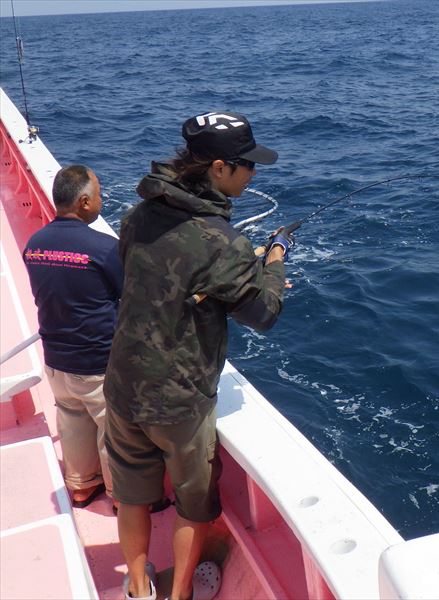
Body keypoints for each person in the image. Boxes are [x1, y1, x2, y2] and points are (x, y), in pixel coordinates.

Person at [103, 111, 291, 600]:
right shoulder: (223, 243)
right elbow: (263, 313)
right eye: (248, 165)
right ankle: (181, 593)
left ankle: (139, 587)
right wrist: (273, 261)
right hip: (178, 402)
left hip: (121, 385)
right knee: (194, 504)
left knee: (132, 496)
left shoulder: (137, 216)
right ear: (219, 168)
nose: (253, 173)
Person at [22, 164, 121, 508]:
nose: (102, 200)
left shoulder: (34, 244)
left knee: (73, 420)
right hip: (97, 363)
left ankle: (81, 486)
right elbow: (130, 295)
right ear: (84, 202)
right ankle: (121, 498)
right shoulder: (105, 248)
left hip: (56, 361)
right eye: (99, 194)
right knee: (113, 431)